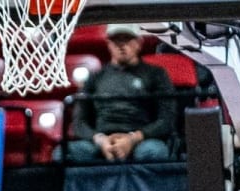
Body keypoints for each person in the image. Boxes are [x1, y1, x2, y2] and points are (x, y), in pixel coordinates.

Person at [63, 24, 176, 163]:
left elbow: (166, 119)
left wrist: (133, 138)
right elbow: (79, 122)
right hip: (102, 140)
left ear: (138, 43)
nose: (121, 45)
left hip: (142, 139)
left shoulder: (156, 74)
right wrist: (100, 140)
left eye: (127, 39)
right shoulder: (95, 77)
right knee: (64, 153)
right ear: (109, 44)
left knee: (152, 152)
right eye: (117, 40)